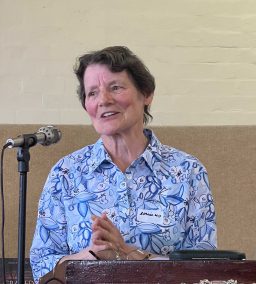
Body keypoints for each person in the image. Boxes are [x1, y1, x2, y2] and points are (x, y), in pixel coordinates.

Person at [29, 46, 217, 283]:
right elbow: (41, 265)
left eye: (115, 88)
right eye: (92, 93)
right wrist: (90, 257)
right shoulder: (66, 173)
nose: (104, 100)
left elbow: (205, 269)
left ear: (146, 94)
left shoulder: (188, 172)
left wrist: (130, 254)